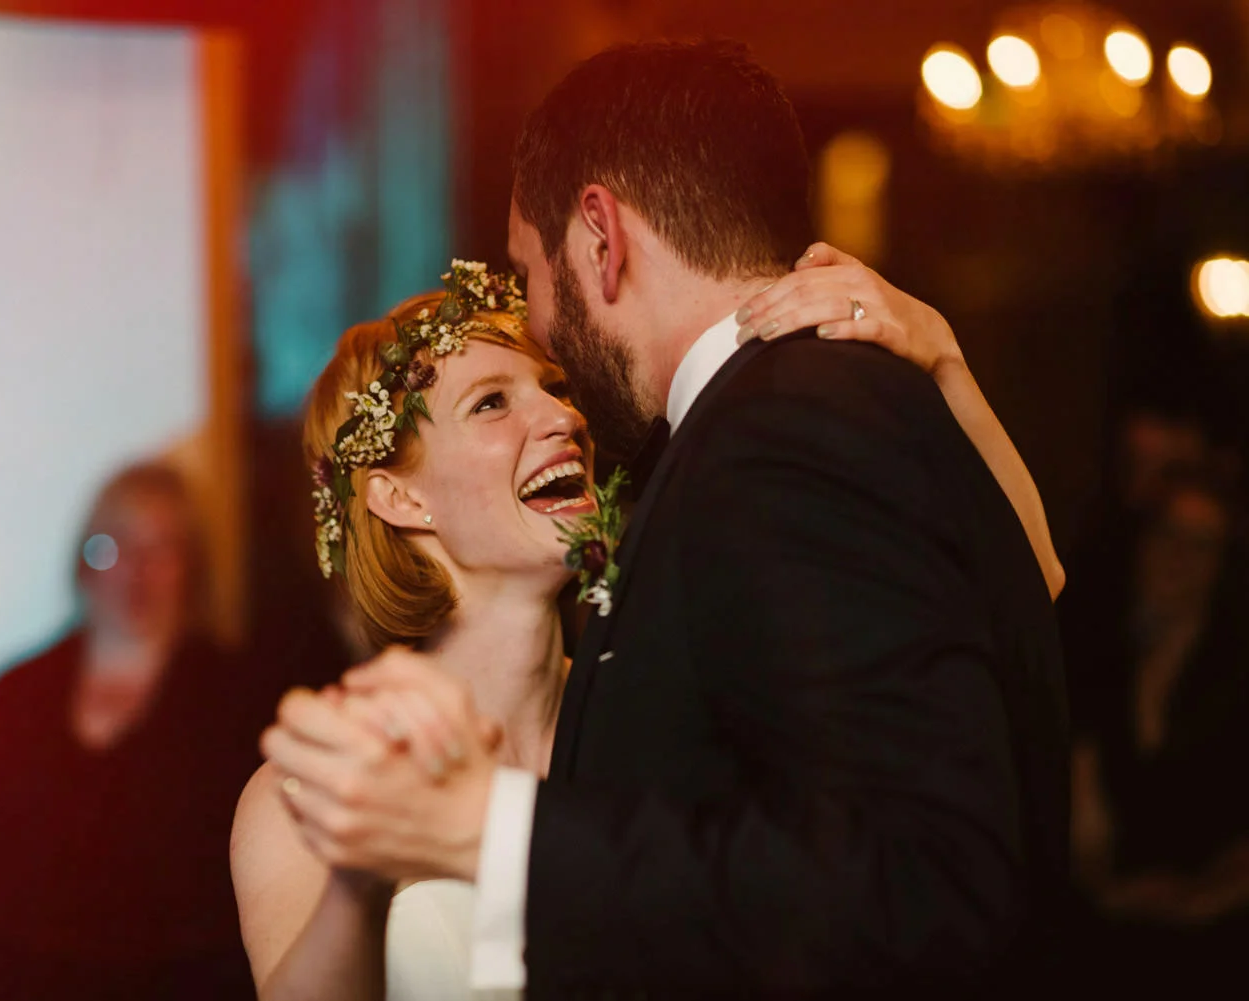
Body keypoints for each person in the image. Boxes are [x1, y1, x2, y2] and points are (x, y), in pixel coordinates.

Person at [249, 39, 1073, 999]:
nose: (561, 408)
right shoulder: (649, 619)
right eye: (490, 404)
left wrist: (941, 361)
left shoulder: (771, 438)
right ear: (395, 494)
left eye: (535, 279)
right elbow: (1011, 601)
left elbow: (914, 863)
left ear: (601, 236)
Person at [0, 462, 263, 1001]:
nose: (136, 570)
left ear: (192, 568)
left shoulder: (237, 706)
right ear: (84, 563)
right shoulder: (15, 698)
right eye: (113, 546)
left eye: (161, 549)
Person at [1069, 472, 1249, 990]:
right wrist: (1107, 888)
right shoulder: (1104, 657)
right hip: (1118, 921)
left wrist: (1197, 898)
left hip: (1218, 925)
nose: (1179, 558)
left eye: (1201, 545)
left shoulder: (1234, 672)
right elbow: (1086, 815)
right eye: (1168, 535)